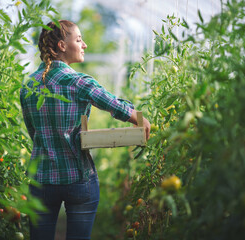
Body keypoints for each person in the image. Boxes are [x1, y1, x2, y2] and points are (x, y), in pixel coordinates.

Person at [20, 20, 151, 240]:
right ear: (62, 45)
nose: (85, 45)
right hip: (78, 178)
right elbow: (114, 105)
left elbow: (35, 134)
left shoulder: (28, 86)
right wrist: (140, 119)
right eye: (79, 39)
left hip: (42, 180)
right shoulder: (78, 81)